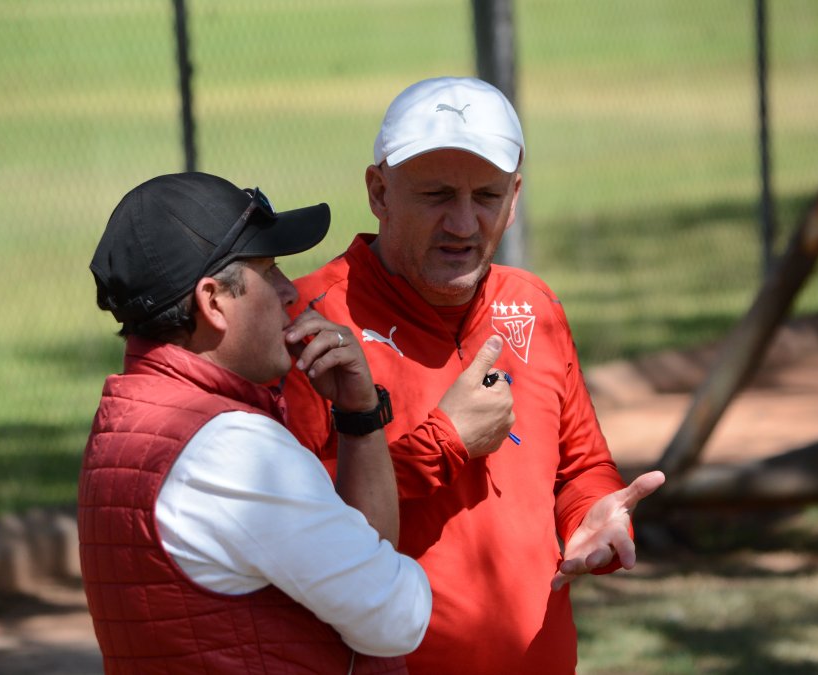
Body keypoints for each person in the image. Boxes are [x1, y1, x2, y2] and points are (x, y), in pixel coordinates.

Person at [281, 77, 666, 674]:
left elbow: (580, 466)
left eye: (486, 195)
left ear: (515, 198)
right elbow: (295, 525)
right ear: (378, 191)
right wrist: (444, 443)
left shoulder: (534, 306)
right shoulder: (312, 324)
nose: (462, 223)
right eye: (436, 194)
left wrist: (591, 513)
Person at [79, 172, 432, 674]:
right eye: (268, 272)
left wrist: (359, 417)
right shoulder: (231, 449)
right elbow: (396, 616)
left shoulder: (130, 415)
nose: (290, 291)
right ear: (213, 302)